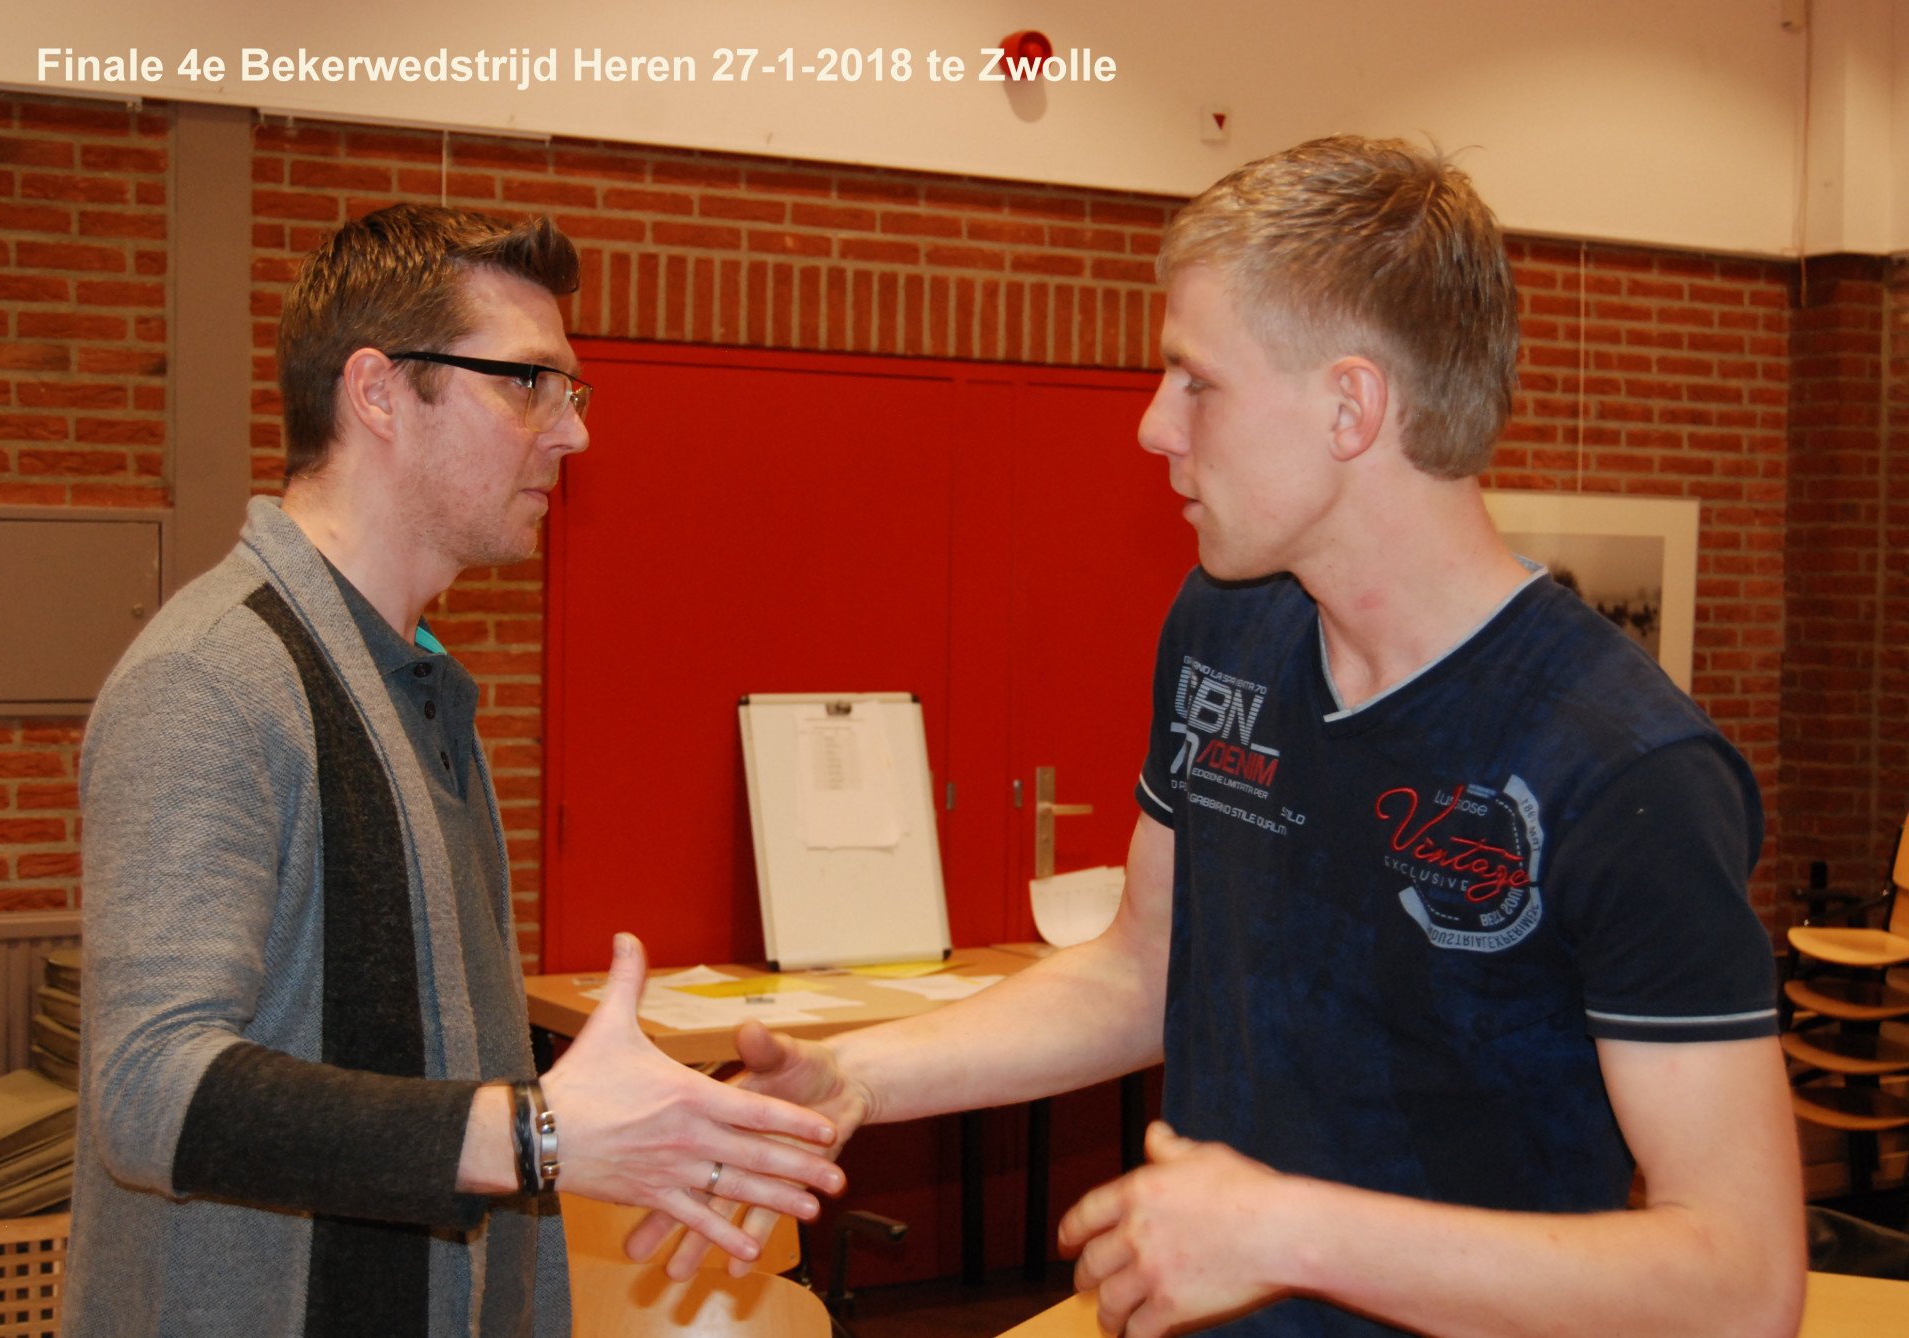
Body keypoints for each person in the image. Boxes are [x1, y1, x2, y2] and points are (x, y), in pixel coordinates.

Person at [635, 137, 1808, 1337]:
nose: (1153, 426)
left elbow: (1741, 1283)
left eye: (1195, 381)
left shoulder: (1625, 767)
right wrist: (858, 1078)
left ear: (1349, 406)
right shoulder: (1227, 625)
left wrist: (1294, 1235)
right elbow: (1142, 968)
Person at [69, 204, 843, 1337]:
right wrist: (536, 1134)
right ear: (379, 392)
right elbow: (151, 1090)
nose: (572, 434)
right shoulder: (211, 680)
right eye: (528, 383)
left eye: (571, 390)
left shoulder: (408, 679)